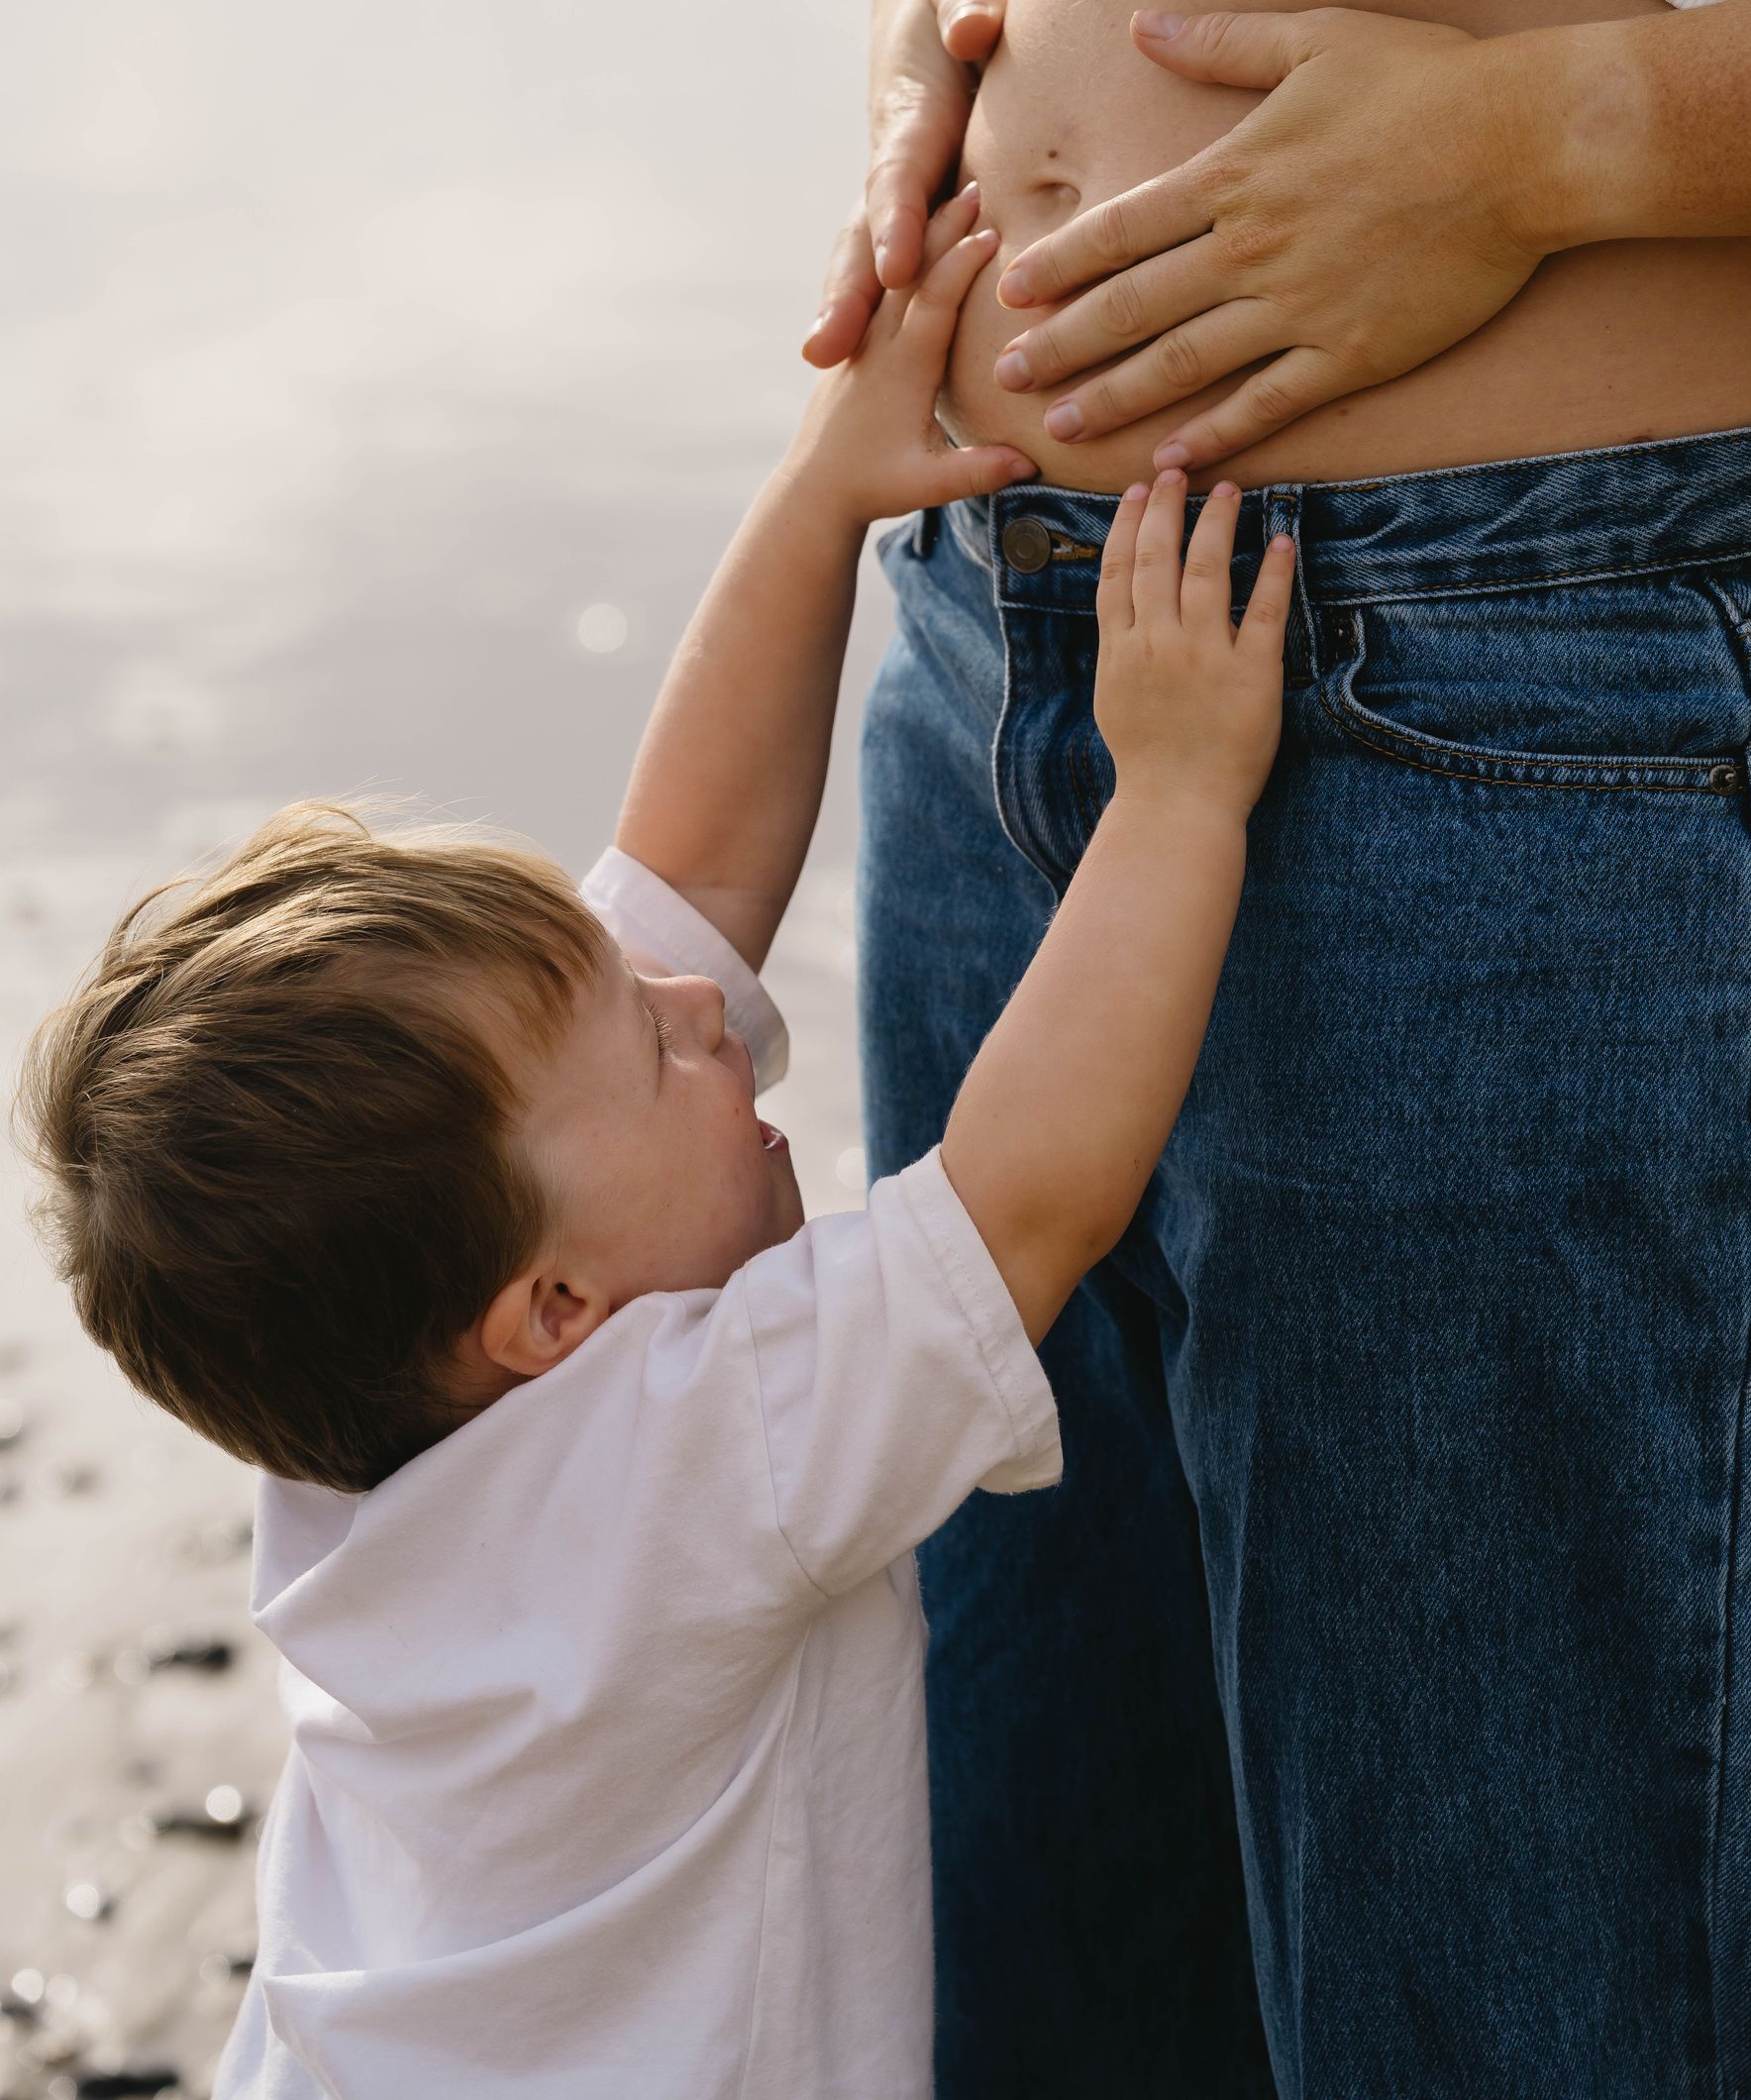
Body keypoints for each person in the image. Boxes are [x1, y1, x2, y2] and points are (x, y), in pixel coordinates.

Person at [805, 0, 1751, 2092]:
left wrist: (1564, 136)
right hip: (1005, 655)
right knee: (1054, 1954)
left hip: (1561, 714)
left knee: (1495, 2015)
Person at [18, 199, 1295, 2100]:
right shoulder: (698, 1459)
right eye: (652, 1046)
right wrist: (1180, 786)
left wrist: (820, 493)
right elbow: (1028, 1194)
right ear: (549, 1309)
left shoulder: (369, 1432)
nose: (706, 1007)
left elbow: (688, 872)